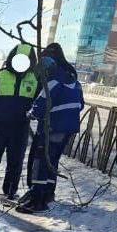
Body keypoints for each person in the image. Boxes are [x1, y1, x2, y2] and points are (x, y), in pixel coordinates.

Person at [18, 53, 84, 214]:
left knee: (41, 161)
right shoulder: (74, 82)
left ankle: (37, 201)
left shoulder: (52, 83)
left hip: (53, 127)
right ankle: (47, 194)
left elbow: (39, 106)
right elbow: (81, 105)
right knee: (51, 161)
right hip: (68, 129)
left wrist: (30, 113)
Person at [0, 42, 39, 200]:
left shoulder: (34, 78)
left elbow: (40, 98)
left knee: (15, 160)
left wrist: (34, 112)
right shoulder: (1, 74)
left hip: (20, 126)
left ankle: (11, 190)